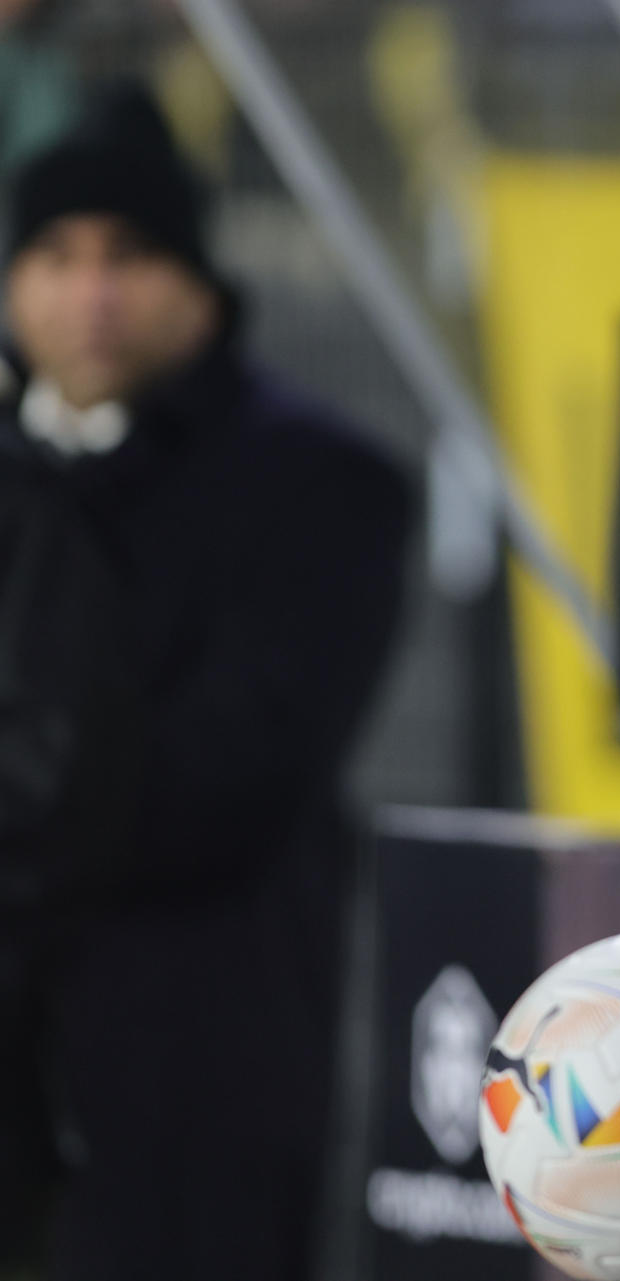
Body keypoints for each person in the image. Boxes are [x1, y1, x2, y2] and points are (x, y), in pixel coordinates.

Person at [0, 82, 410, 1281]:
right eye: (58, 256)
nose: (93, 293)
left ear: (195, 280)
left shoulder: (320, 483)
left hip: (192, 1091)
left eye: (126, 255)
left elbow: (223, 780)